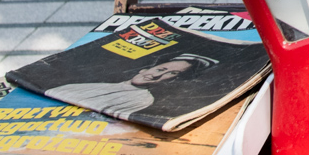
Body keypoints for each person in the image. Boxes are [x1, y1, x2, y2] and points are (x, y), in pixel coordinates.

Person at [46, 53, 216, 117]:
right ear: (144, 69)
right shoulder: (102, 84)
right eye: (161, 68)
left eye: (171, 74)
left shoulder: (141, 99)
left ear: (173, 81)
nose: (157, 75)